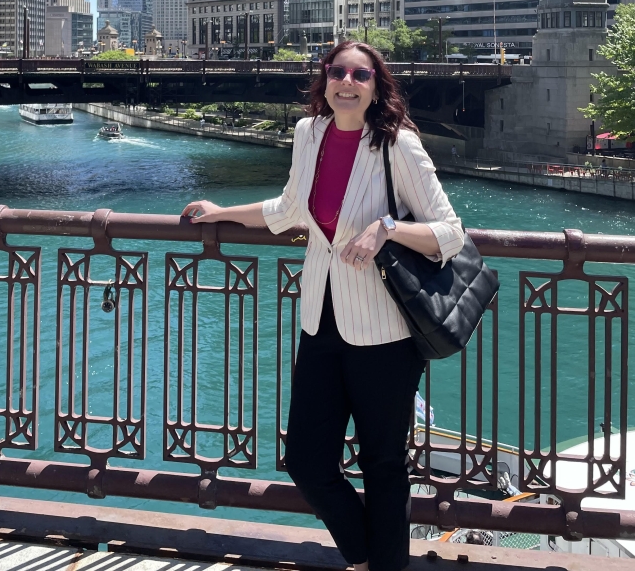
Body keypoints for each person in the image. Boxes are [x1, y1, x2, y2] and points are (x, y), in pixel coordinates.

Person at [182, 41, 464, 571]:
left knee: (383, 463)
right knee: (308, 461)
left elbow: (451, 232)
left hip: (385, 330)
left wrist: (387, 229)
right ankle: (365, 555)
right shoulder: (308, 133)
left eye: (361, 74)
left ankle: (381, 566)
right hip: (321, 321)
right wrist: (222, 212)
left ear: (376, 85)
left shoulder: (397, 145)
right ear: (325, 79)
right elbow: (289, 209)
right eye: (339, 72)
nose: (348, 82)